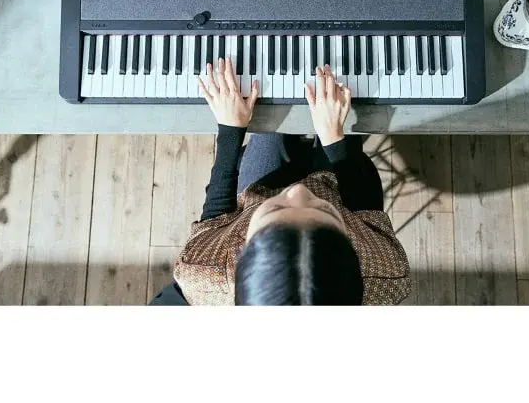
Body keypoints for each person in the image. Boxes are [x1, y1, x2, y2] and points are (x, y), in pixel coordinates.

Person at [149, 58, 411, 306]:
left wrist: (230, 129)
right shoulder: (387, 275)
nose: (297, 190)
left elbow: (216, 218)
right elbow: (366, 213)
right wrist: (335, 138)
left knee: (269, 121)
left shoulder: (203, 274)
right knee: (344, 107)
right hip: (343, 194)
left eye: (276, 211)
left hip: (259, 193)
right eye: (324, 212)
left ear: (243, 253)